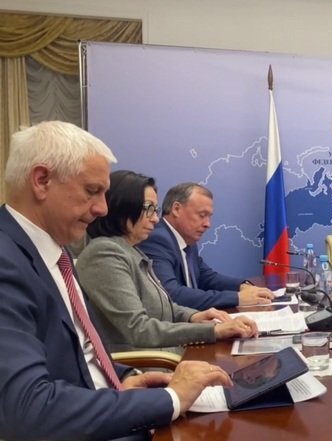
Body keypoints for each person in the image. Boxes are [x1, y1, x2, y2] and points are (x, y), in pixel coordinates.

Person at [0, 121, 234, 441]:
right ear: (42, 181)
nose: (102, 208)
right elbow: (28, 408)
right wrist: (170, 399)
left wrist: (125, 377)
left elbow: (81, 353)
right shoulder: (7, 261)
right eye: (92, 191)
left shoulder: (56, 253)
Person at [76, 170, 259, 354]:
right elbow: (139, 329)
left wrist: (193, 316)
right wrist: (213, 330)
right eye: (148, 209)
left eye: (155, 210)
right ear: (122, 206)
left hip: (166, 354)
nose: (155, 218)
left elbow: (163, 305)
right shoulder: (105, 254)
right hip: (148, 363)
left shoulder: (131, 250)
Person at [138, 182, 274, 310]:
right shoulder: (157, 239)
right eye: (202, 215)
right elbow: (170, 294)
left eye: (209, 217)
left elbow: (207, 277)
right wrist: (237, 298)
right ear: (176, 209)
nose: (207, 224)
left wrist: (243, 286)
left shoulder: (187, 239)